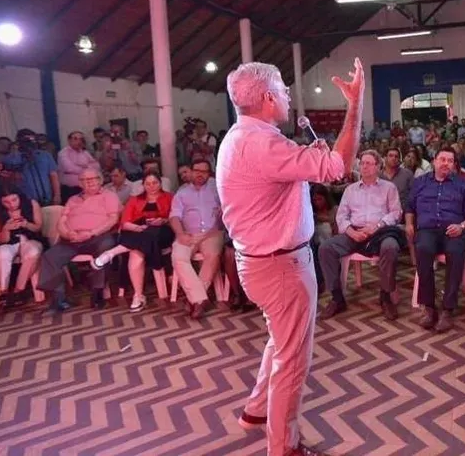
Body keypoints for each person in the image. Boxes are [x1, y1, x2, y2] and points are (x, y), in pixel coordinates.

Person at [218, 58, 362, 456]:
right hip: (281, 266)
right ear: (267, 97)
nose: (287, 95)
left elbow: (282, 177)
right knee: (292, 360)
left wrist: (304, 158)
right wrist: (355, 104)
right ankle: (283, 447)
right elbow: (338, 166)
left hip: (259, 261)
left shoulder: (239, 137)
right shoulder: (264, 143)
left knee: (279, 343)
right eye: (282, 89)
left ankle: (255, 412)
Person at [318, 150, 404, 321]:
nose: (364, 166)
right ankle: (337, 298)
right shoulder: (350, 190)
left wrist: (377, 226)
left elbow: (396, 213)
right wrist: (351, 231)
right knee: (326, 248)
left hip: (379, 232)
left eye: (369, 163)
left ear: (378, 166)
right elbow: (341, 216)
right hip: (354, 232)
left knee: (390, 247)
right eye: (362, 163)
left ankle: (385, 296)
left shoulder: (389, 188)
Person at [405, 147, 465, 332]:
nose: (445, 163)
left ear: (454, 164)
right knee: (423, 249)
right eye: (442, 159)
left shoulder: (463, 184)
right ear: (434, 161)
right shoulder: (420, 182)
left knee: (455, 252)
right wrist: (409, 224)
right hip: (427, 230)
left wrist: (462, 226)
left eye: (450, 160)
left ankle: (448, 309)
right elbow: (409, 207)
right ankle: (429, 307)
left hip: (454, 230)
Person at [37, 168, 119, 311]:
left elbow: (113, 219)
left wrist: (92, 233)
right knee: (50, 256)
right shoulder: (72, 199)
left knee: (105, 249)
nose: (90, 182)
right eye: (85, 180)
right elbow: (61, 222)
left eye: (93, 179)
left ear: (100, 180)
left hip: (97, 236)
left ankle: (98, 293)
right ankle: (59, 298)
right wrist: (68, 233)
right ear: (80, 183)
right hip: (72, 239)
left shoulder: (109, 196)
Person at [92, 170, 174, 312]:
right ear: (143, 185)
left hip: (162, 232)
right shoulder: (135, 199)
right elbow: (125, 222)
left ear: (160, 183)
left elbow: (176, 217)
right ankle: (138, 295)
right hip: (138, 232)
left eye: (155, 183)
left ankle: (111, 253)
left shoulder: (170, 197)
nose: (152, 186)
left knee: (149, 234)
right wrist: (137, 227)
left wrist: (163, 220)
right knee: (136, 252)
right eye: (148, 184)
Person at [169, 159, 223, 320]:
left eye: (204, 171)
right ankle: (200, 299)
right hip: (188, 233)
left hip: (212, 233)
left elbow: (228, 209)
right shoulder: (182, 193)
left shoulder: (217, 189)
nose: (200, 174)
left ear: (209, 174)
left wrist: (222, 214)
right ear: (191, 172)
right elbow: (174, 216)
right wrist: (180, 234)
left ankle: (193, 298)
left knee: (213, 255)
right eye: (197, 171)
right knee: (178, 257)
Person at [0, 184, 44, 307]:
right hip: (9, 243)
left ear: (19, 197)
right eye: (6, 202)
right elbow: (1, 240)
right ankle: (3, 291)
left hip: (30, 239)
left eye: (14, 200)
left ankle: (19, 289)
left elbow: (38, 227)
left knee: (33, 253)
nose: (11, 204)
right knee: (2, 254)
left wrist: (26, 224)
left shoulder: (31, 204)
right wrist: (6, 229)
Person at [0, 128, 61, 206]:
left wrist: (57, 195)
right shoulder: (10, 159)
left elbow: (53, 176)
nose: (30, 143)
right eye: (26, 141)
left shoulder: (45, 155)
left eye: (32, 140)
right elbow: (5, 182)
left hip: (46, 199)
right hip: (24, 202)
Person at [57, 131, 99, 203]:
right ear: (69, 140)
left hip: (85, 189)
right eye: (75, 139)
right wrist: (86, 168)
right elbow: (69, 168)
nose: (79, 141)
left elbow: (97, 166)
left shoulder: (85, 153)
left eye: (81, 139)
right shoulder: (63, 153)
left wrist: (81, 167)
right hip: (70, 190)